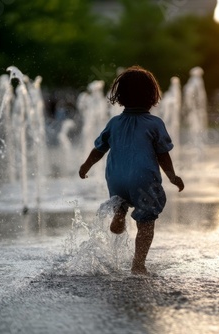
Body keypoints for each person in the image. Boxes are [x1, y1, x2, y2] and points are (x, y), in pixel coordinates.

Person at [79, 66, 184, 275]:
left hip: (116, 178)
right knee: (146, 221)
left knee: (121, 199)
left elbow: (99, 149)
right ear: (152, 96)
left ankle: (119, 211)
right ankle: (138, 265)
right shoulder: (154, 124)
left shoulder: (114, 122)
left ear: (120, 96)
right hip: (143, 179)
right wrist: (172, 176)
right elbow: (163, 154)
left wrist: (86, 166)